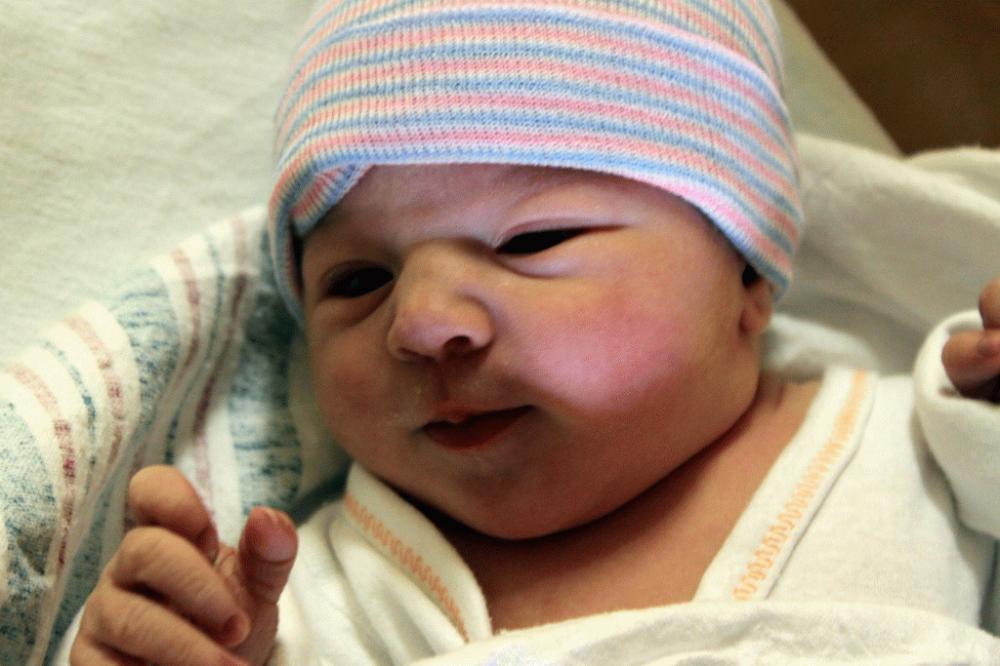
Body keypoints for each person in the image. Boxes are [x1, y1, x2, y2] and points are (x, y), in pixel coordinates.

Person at [65, 0, 1000, 663]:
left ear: (748, 273)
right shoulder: (310, 596)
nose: (422, 323)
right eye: (357, 282)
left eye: (533, 240)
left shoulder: (928, 440)